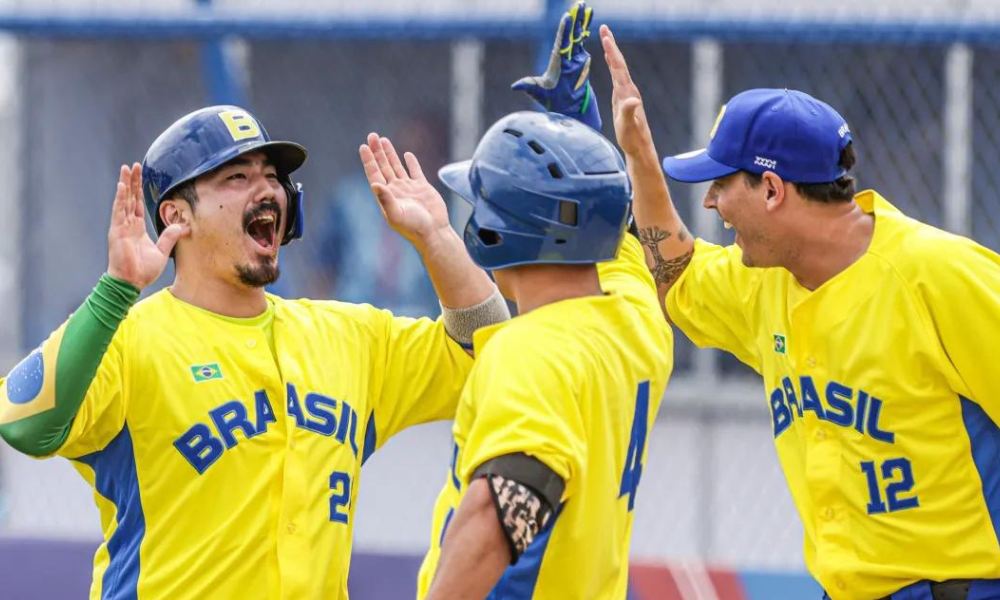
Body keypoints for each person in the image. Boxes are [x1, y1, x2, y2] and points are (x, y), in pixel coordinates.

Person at [0, 105, 508, 599]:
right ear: (177, 216)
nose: (267, 189)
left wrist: (437, 237)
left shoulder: (348, 336)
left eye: (271, 176)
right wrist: (116, 289)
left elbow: (488, 357)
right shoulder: (130, 338)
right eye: (237, 177)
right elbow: (24, 424)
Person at [601, 23, 1000, 600]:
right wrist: (638, 158)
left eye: (720, 184)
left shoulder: (938, 274)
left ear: (771, 188)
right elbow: (677, 274)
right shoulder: (764, 281)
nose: (710, 202)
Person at [410, 5, 675, 599]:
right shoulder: (637, 319)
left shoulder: (528, 350)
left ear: (503, 233)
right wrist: (583, 138)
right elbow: (617, 233)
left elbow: (501, 511)